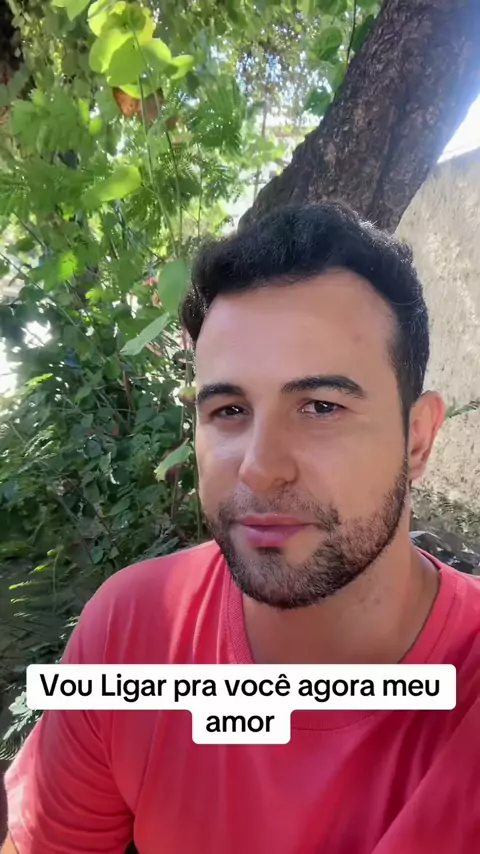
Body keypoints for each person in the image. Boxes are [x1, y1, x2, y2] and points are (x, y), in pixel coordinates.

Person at [2, 203, 480, 854]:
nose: (260, 468)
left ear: (417, 438)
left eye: (321, 406)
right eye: (229, 410)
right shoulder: (133, 630)